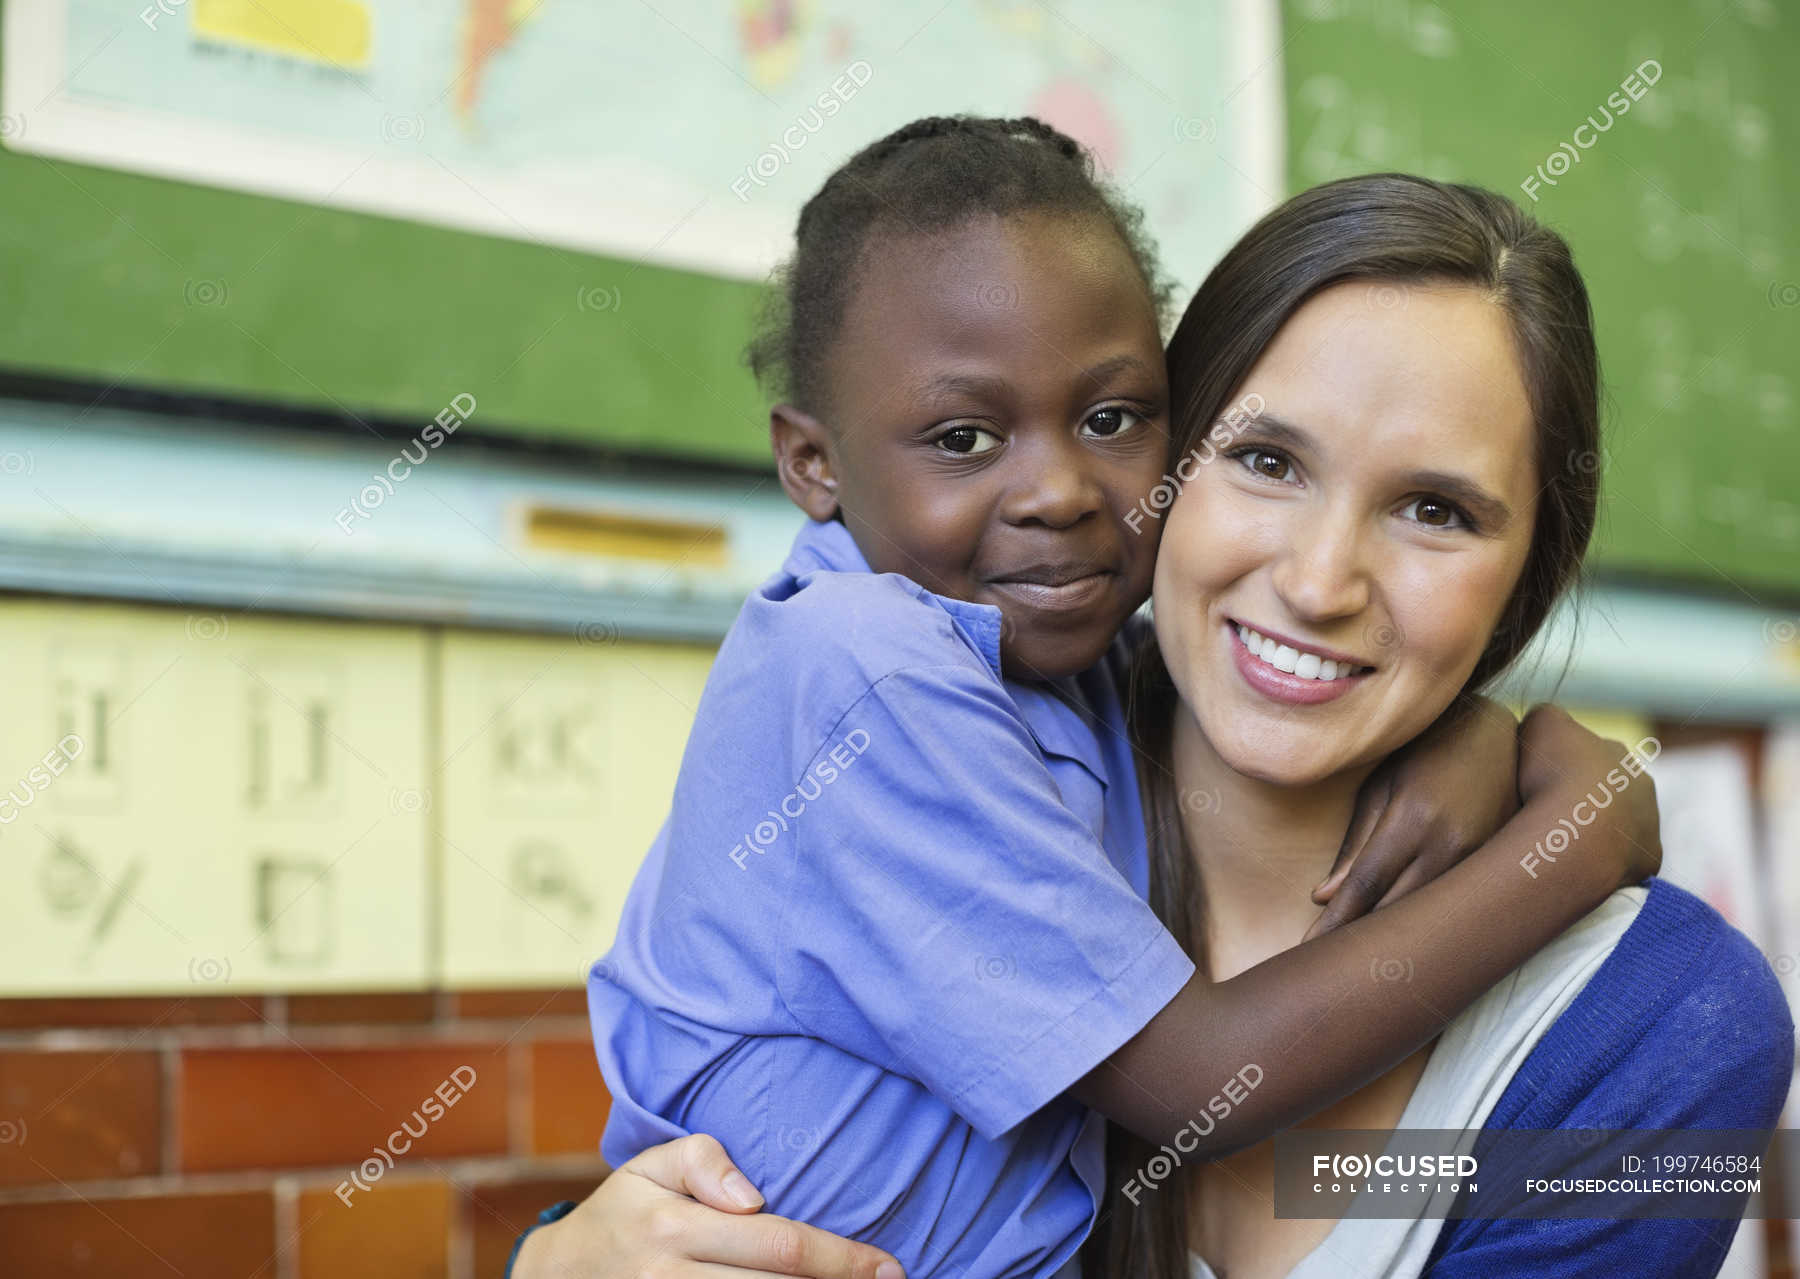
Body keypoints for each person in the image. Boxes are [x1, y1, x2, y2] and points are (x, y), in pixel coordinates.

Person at [522, 172, 1791, 1279]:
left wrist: (1519, 761)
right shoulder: (990, 762)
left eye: (1437, 511)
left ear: (1531, 569)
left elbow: (1331, 1187)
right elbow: (735, 1166)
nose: (1318, 580)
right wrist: (549, 1255)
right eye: (1268, 461)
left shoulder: (1673, 1032)